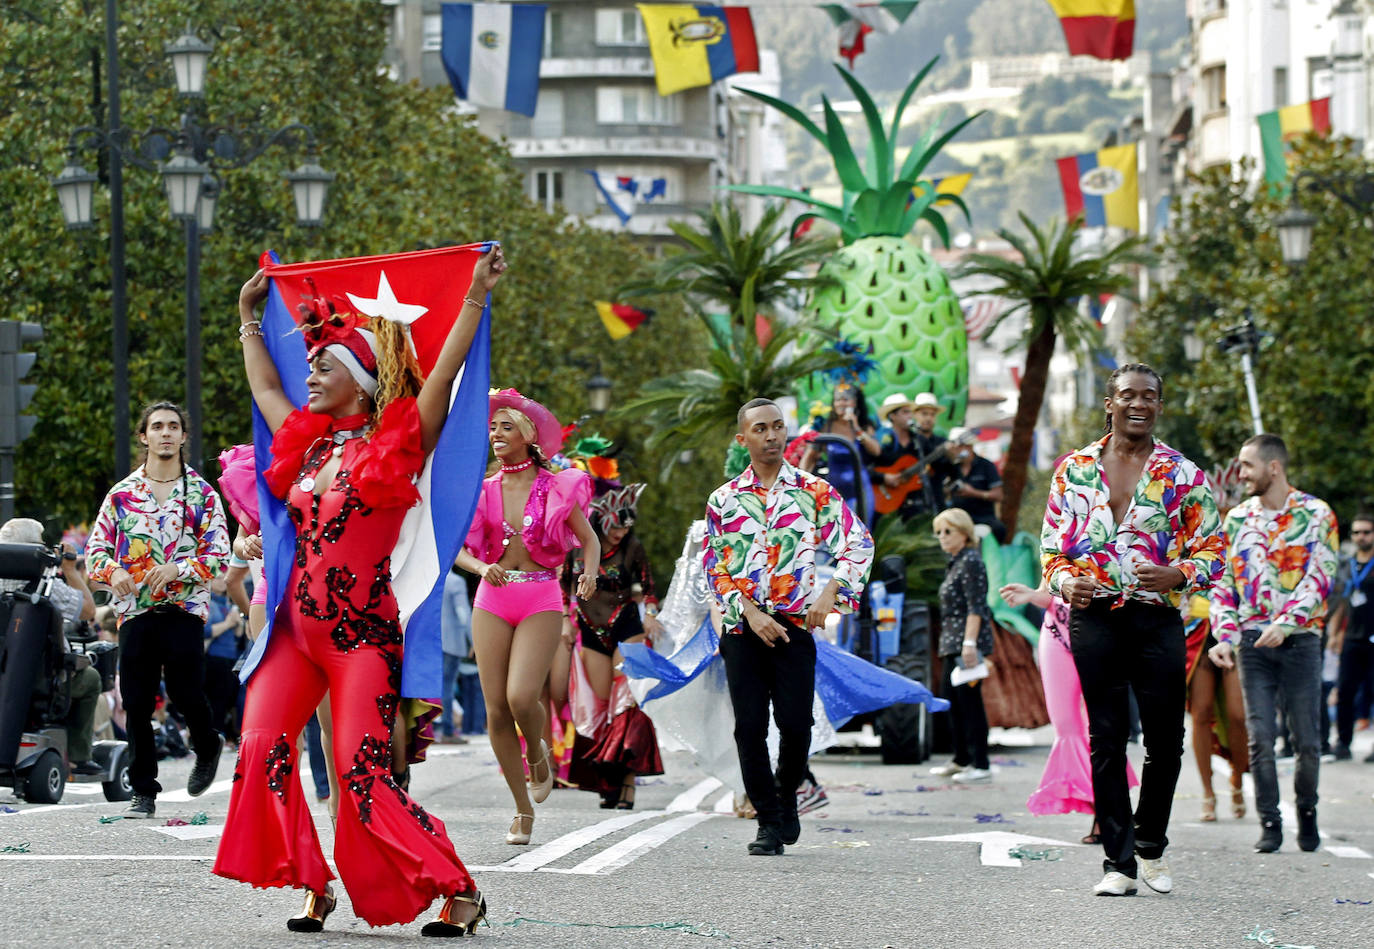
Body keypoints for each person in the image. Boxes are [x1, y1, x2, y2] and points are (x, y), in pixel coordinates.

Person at [212, 248, 506, 936]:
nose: (308, 373)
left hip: (359, 638)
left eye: (324, 366)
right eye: (311, 366)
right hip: (294, 629)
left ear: (362, 380)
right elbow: (262, 390)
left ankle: (458, 889)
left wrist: (474, 295)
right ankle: (313, 881)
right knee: (260, 744)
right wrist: (247, 318)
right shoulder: (306, 446)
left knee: (361, 774)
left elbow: (446, 375)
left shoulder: (399, 441)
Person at [1042, 364, 1225, 897]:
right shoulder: (1073, 469)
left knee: (1166, 742)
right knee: (1106, 737)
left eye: (1149, 397)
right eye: (1128, 396)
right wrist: (1065, 582)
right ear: (1109, 403)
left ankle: (1150, 845)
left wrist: (1178, 573)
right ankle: (1117, 864)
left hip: (1156, 619)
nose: (1138, 404)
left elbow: (1213, 551)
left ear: (1159, 407)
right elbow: (1052, 550)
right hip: (1094, 615)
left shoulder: (1183, 474)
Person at [703, 398, 874, 856]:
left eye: (778, 426)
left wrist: (829, 593)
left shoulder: (814, 491)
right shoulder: (723, 500)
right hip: (743, 629)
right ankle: (768, 820)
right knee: (750, 727)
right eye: (761, 428)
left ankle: (787, 798)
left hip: (795, 626)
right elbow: (714, 569)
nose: (773, 435)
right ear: (744, 439)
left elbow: (858, 542)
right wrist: (752, 615)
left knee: (796, 724)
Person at [455, 388, 597, 846]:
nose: (496, 434)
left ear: (528, 435)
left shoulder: (557, 485)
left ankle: (537, 751)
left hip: (540, 597)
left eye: (506, 426)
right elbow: (455, 550)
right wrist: (481, 567)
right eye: (493, 427)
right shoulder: (482, 490)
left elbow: (588, 541)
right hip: (492, 598)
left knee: (520, 697)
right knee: (496, 708)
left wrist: (589, 576)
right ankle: (521, 809)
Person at [87, 402, 231, 820]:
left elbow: (219, 556)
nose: (165, 433)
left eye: (173, 426)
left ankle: (206, 742)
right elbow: (95, 550)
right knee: (136, 700)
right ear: (143, 436)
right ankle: (143, 791)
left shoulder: (203, 494)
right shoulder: (121, 495)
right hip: (135, 611)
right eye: (157, 427)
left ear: (184, 437)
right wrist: (112, 571)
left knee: (186, 692)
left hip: (184, 608)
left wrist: (179, 569)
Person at [1208, 434, 1338, 854]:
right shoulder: (1237, 519)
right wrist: (1223, 635)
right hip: (1252, 642)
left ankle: (1307, 813)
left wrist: (1287, 622)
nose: (1240, 474)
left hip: (1301, 641)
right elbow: (1224, 583)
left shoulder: (1318, 515)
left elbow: (1322, 578)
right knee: (1259, 735)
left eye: (1246, 466)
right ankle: (1270, 822)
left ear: (1273, 468)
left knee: (1307, 740)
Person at [1000, 581, 1138, 841]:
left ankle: (1109, 812)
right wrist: (1031, 595)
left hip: (1102, 632)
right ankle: (1107, 810)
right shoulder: (1055, 539)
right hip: (1055, 635)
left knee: (1099, 727)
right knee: (1066, 727)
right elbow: (1050, 594)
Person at [562, 482, 665, 808]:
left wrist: (650, 613)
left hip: (627, 628)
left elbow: (648, 587)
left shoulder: (633, 548)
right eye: (617, 524)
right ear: (602, 520)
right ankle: (607, 781)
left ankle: (629, 782)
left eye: (626, 525)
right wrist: (565, 619)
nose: (621, 531)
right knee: (603, 707)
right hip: (590, 630)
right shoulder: (578, 547)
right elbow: (564, 586)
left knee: (628, 702)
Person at [0, 518, 101, 774]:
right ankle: (80, 755)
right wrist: (70, 570)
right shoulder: (47, 587)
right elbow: (88, 610)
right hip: (41, 680)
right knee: (91, 678)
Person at [928, 508, 994, 783]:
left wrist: (969, 643)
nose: (942, 537)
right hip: (951, 642)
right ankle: (961, 758)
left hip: (964, 642)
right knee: (952, 702)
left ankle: (980, 763)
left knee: (969, 703)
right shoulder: (955, 562)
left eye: (948, 531)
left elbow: (975, 607)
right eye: (939, 532)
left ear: (964, 534)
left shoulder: (971, 561)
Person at [1184, 592, 1249, 823]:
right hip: (1197, 625)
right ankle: (1208, 793)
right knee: (1200, 713)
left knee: (1238, 715)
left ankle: (1238, 779)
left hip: (1235, 625)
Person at [1330, 513, 1374, 762]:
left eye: (1366, 532)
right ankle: (1343, 743)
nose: (1361, 537)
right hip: (1352, 637)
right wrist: (1335, 634)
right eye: (1357, 532)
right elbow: (1342, 601)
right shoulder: (1347, 564)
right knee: (1345, 690)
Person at [798, 382, 881, 474]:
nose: (841, 403)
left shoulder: (864, 425)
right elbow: (810, 456)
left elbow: (876, 451)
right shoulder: (825, 427)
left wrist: (857, 429)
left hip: (860, 484)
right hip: (835, 483)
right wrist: (800, 480)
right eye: (837, 400)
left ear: (855, 402)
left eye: (845, 399)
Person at [946, 428, 1006, 544]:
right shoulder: (951, 467)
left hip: (983, 517)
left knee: (999, 529)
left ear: (969, 446)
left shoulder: (986, 466)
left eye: (961, 446)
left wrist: (973, 492)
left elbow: (998, 495)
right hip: (957, 517)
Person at [202, 575, 243, 745]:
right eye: (217, 578)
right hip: (213, 657)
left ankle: (223, 736)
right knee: (215, 700)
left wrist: (238, 623)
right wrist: (228, 623)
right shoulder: (208, 604)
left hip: (230, 657)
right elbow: (205, 631)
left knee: (227, 700)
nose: (222, 582)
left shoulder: (227, 603)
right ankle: (215, 737)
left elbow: (238, 635)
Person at [439, 565, 474, 743]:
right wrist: (473, 640)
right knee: (447, 687)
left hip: (432, 641)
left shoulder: (432, 579)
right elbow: (463, 614)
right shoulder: (456, 582)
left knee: (434, 687)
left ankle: (429, 732)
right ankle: (447, 731)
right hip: (451, 642)